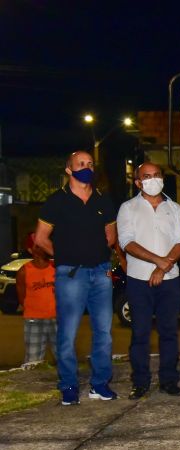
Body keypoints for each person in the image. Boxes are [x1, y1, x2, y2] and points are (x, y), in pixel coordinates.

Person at [35, 150, 119, 405]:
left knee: (104, 331)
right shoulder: (56, 202)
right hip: (70, 274)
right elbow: (40, 239)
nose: (87, 167)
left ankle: (100, 384)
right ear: (69, 170)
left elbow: (111, 237)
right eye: (80, 164)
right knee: (68, 333)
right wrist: (64, 256)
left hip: (101, 272)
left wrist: (104, 257)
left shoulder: (104, 201)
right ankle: (69, 385)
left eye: (90, 163)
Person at [116, 163, 180, 399]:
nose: (152, 179)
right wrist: (160, 262)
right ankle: (140, 381)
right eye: (146, 177)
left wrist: (165, 265)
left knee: (169, 332)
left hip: (170, 279)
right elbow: (127, 242)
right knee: (140, 333)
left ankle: (169, 380)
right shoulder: (128, 208)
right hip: (139, 279)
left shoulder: (174, 208)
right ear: (138, 182)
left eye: (157, 175)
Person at [17, 233, 56, 367]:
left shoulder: (56, 268)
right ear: (30, 249)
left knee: (64, 356)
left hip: (57, 319)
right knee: (33, 361)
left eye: (43, 244)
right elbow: (22, 298)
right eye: (37, 246)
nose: (42, 248)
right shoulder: (24, 271)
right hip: (34, 321)